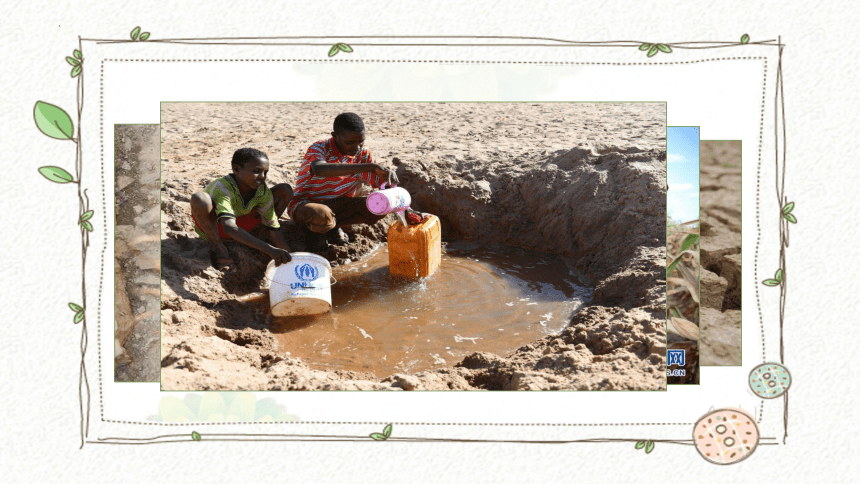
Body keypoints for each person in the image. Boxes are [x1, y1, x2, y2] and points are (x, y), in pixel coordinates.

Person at [287, 112, 403, 252]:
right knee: (322, 214)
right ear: (335, 136)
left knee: (379, 205)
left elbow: (385, 185)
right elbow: (319, 169)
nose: (357, 147)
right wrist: (370, 167)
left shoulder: (362, 154)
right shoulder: (319, 148)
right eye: (350, 142)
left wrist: (406, 208)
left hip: (338, 206)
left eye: (361, 141)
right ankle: (316, 237)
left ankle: (332, 226)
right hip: (305, 207)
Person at [190, 147, 293, 270]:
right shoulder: (222, 188)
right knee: (200, 198)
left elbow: (273, 228)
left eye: (265, 172)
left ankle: (256, 240)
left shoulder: (262, 190)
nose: (262, 177)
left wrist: (290, 257)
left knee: (285, 189)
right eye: (256, 171)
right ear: (236, 169)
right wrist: (269, 249)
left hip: (243, 226)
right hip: (217, 228)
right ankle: (219, 248)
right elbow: (229, 227)